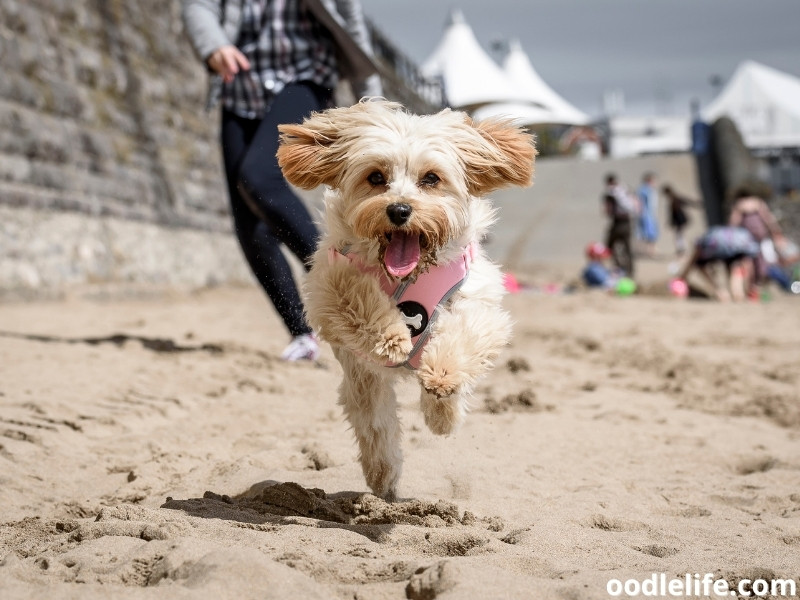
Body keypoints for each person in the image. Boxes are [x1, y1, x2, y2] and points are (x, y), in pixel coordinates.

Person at [181, 0, 382, 361]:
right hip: (240, 86)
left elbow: (353, 28)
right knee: (249, 224)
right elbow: (200, 6)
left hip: (305, 76)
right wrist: (214, 46)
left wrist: (377, 108)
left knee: (258, 178)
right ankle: (302, 332)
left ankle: (346, 281)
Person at [674, 226, 759, 302]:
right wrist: (750, 286)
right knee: (737, 269)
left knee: (700, 264)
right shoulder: (745, 239)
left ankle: (721, 292)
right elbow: (747, 266)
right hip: (736, 245)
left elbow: (692, 261)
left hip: (718, 244)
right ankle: (737, 293)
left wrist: (682, 277)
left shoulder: (705, 240)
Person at [728, 185, 784, 287]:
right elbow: (769, 220)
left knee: (751, 262)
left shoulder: (742, 203)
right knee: (757, 262)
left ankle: (753, 286)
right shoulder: (757, 203)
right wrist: (776, 232)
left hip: (749, 238)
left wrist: (730, 234)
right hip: (754, 237)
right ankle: (754, 286)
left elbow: (734, 222)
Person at [602, 173, 638, 277]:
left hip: (618, 223)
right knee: (628, 249)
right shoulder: (625, 190)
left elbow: (607, 211)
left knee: (609, 246)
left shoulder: (611, 193)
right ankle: (630, 271)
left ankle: (618, 268)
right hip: (627, 223)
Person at [661, 184, 701, 257]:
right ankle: (681, 249)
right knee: (679, 234)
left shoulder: (675, 198)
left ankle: (682, 249)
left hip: (680, 219)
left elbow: (686, 201)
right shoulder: (672, 199)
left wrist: (696, 204)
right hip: (678, 219)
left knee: (679, 234)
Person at [636, 172, 659, 257]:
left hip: (650, 215)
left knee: (649, 233)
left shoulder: (650, 190)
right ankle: (649, 251)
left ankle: (649, 250)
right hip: (646, 215)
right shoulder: (644, 190)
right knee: (648, 234)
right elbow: (640, 203)